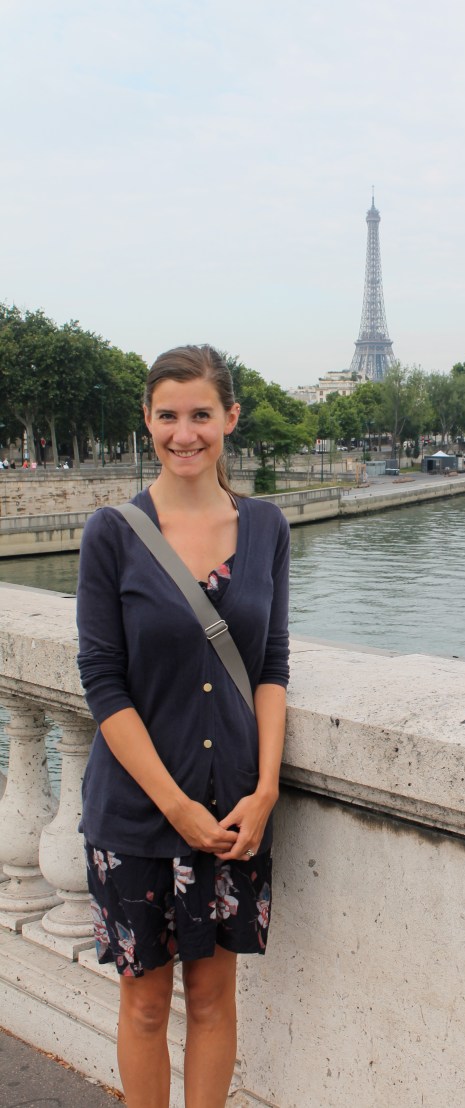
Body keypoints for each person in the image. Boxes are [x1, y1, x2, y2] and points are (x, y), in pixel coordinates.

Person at [76, 344, 289, 1108]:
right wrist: (174, 806)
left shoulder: (266, 528)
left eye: (201, 414)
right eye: (168, 415)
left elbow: (271, 669)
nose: (184, 432)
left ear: (230, 418)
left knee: (211, 999)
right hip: (138, 815)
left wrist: (264, 790)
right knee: (141, 1004)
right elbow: (102, 681)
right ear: (148, 420)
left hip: (234, 811)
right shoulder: (113, 533)